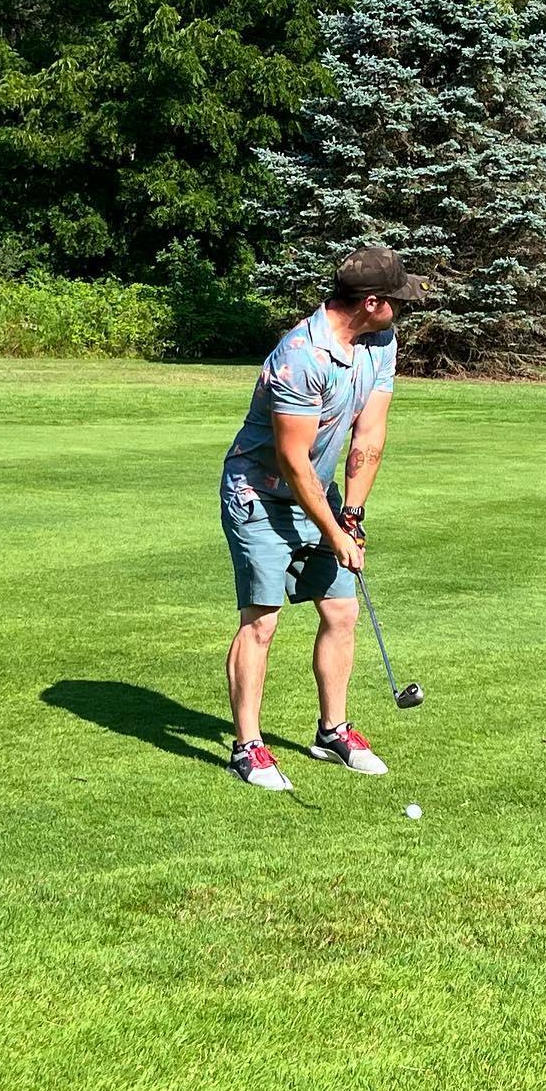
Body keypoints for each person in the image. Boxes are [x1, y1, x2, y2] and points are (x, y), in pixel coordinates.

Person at [220, 247, 427, 790]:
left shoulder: (378, 340)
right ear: (373, 302)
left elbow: (370, 433)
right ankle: (248, 747)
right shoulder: (298, 357)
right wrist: (335, 533)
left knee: (341, 611)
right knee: (261, 620)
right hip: (260, 494)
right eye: (398, 301)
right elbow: (293, 461)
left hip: (322, 494)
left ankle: (332, 731)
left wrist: (352, 514)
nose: (405, 309)